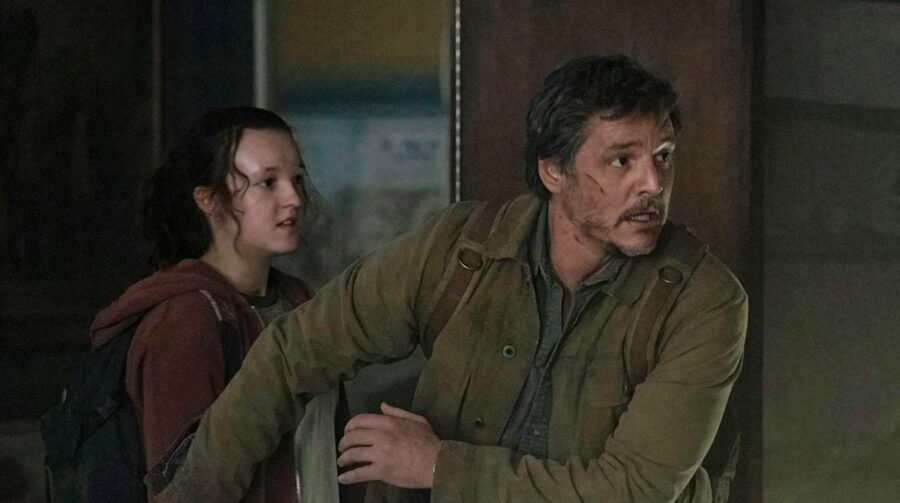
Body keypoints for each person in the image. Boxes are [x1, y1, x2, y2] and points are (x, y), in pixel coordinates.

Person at [159, 55, 748, 502]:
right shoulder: (461, 249)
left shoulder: (704, 301)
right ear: (554, 171)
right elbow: (293, 353)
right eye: (622, 160)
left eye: (663, 156)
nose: (653, 184)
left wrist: (439, 466)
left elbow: (634, 491)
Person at [89, 107, 325, 502]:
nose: (294, 198)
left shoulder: (299, 300)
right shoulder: (186, 318)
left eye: (297, 178)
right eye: (268, 182)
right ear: (209, 199)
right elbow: (185, 488)